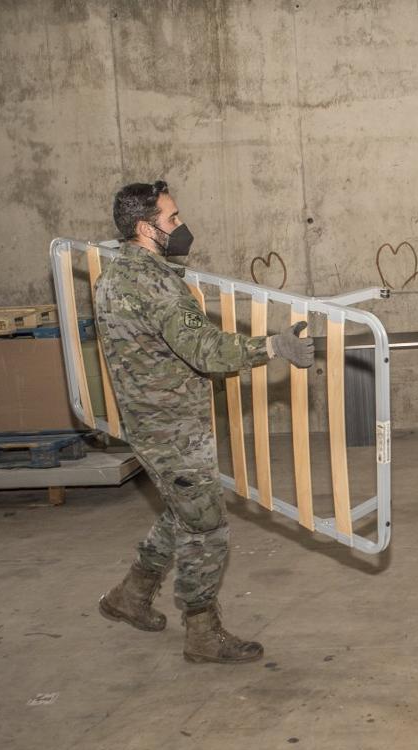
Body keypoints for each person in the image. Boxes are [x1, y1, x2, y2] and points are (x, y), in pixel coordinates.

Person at [94, 181, 315, 664]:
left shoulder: (116, 276)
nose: (180, 226)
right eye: (171, 219)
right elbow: (206, 351)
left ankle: (130, 595)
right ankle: (202, 630)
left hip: (153, 419)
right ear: (143, 227)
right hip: (170, 427)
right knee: (207, 526)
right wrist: (274, 347)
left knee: (182, 512)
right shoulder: (153, 284)